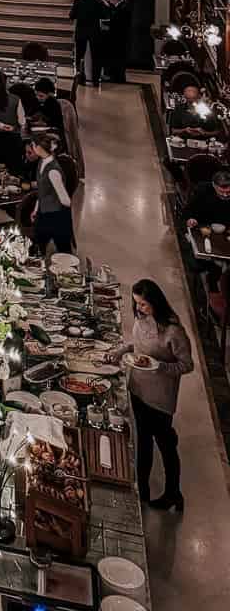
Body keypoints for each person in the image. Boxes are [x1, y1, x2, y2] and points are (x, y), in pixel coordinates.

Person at [113, 279, 193, 511]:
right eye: (137, 303)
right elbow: (139, 346)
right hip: (138, 389)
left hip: (159, 398)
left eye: (144, 304)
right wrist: (122, 350)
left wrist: (161, 367)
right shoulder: (141, 318)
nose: (139, 308)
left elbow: (187, 365)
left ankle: (173, 493)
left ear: (156, 302)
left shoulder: (173, 331)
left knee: (166, 445)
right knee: (143, 442)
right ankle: (143, 490)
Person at [183, 168, 230, 289]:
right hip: (203, 231)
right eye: (222, 192)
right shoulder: (202, 191)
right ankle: (213, 286)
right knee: (204, 263)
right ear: (214, 185)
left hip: (225, 233)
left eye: (228, 192)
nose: (225, 195)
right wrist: (191, 219)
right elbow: (188, 211)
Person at [31, 133, 74, 255]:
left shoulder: (53, 171)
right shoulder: (41, 163)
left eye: (33, 145)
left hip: (56, 216)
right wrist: (36, 209)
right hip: (44, 213)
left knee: (64, 250)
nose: (32, 147)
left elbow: (65, 200)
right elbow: (41, 190)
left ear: (39, 147)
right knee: (38, 246)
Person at [69, 0, 104, 85]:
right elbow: (104, 15)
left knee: (80, 56)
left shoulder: (78, 1)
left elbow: (71, 16)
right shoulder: (98, 2)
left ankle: (81, 79)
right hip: (94, 32)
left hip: (81, 32)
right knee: (96, 57)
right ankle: (96, 79)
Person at [101, 0, 130, 84]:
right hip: (120, 37)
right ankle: (116, 77)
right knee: (117, 58)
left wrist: (107, 24)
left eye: (111, 1)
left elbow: (117, 21)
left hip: (119, 38)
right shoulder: (122, 6)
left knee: (118, 59)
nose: (110, 3)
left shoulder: (122, 8)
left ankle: (118, 78)